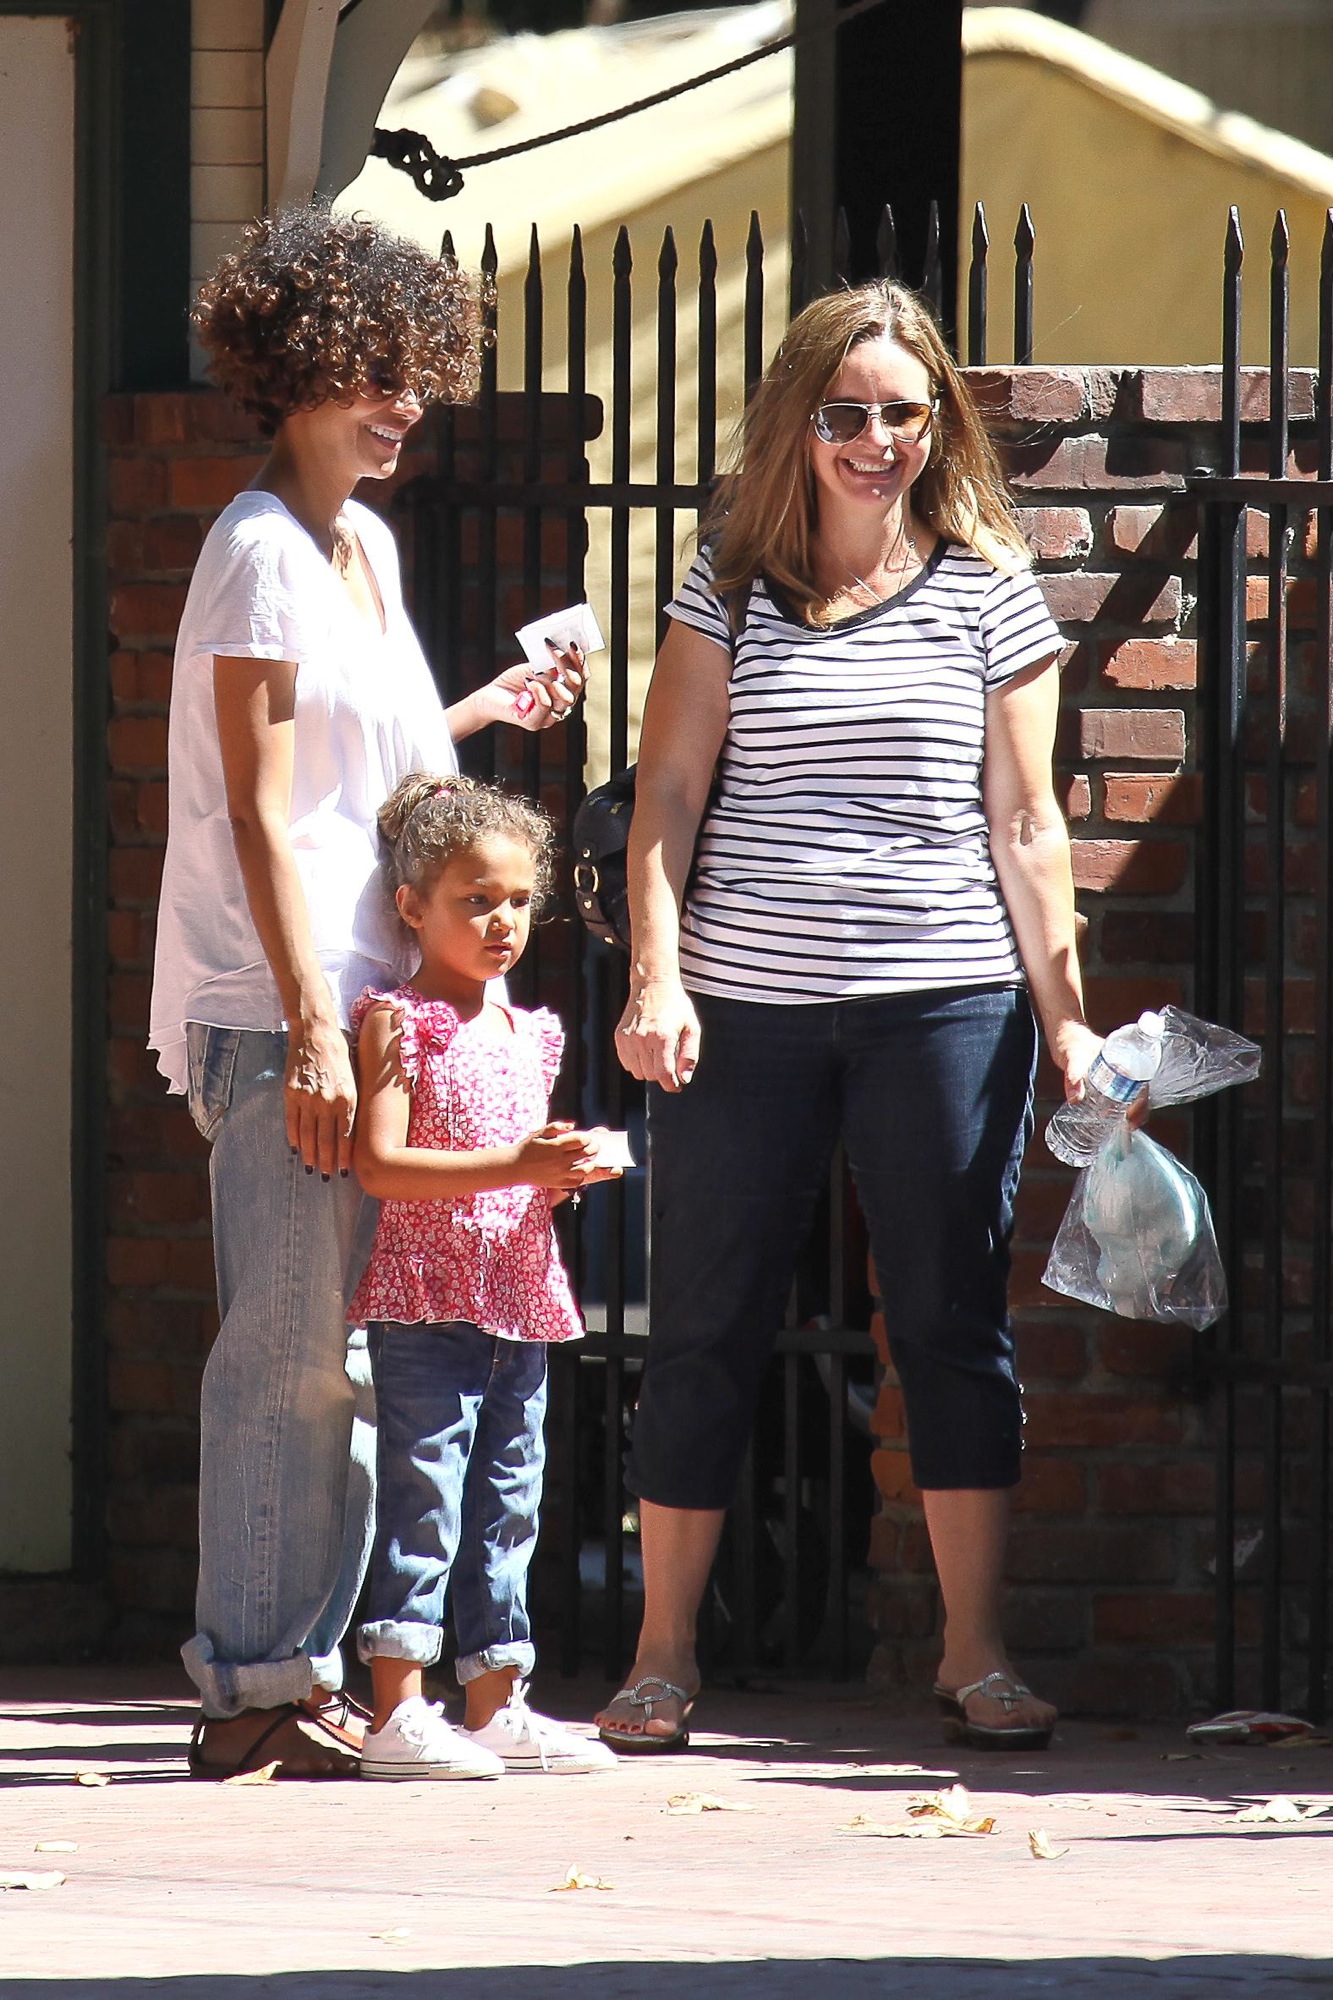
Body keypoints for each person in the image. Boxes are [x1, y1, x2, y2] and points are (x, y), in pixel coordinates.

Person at [596, 280, 1100, 1756]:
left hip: (942, 1001)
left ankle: (974, 1651)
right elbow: (666, 795)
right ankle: (660, 1655)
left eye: (903, 412)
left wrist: (1068, 1019)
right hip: (742, 1006)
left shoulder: (990, 590)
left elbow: (1028, 820)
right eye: (845, 414)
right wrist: (655, 976)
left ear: (938, 424)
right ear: (796, 423)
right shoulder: (729, 586)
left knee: (948, 1320)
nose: (877, 441)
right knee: (703, 1321)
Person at [148, 207, 586, 1780]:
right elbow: (259, 811)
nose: (404, 404)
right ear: (294, 371)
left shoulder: (367, 550)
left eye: (417, 375)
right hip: (290, 1013)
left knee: (340, 1351)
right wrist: (315, 1029)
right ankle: (255, 1688)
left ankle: (302, 1674)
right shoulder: (259, 548)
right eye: (371, 374)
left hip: (362, 1009)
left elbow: (379, 777)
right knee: (290, 1353)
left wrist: (487, 707)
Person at [350, 774, 619, 1779]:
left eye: (516, 899)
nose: (502, 920)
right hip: (426, 1299)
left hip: (518, 1293)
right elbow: (381, 1165)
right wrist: (517, 1164)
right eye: (475, 900)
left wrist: (558, 1173)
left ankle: (497, 1700)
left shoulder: (529, 1031)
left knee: (510, 1501)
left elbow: (513, 1164)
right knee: (424, 1496)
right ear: (411, 905)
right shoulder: (397, 1019)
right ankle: (397, 1707)